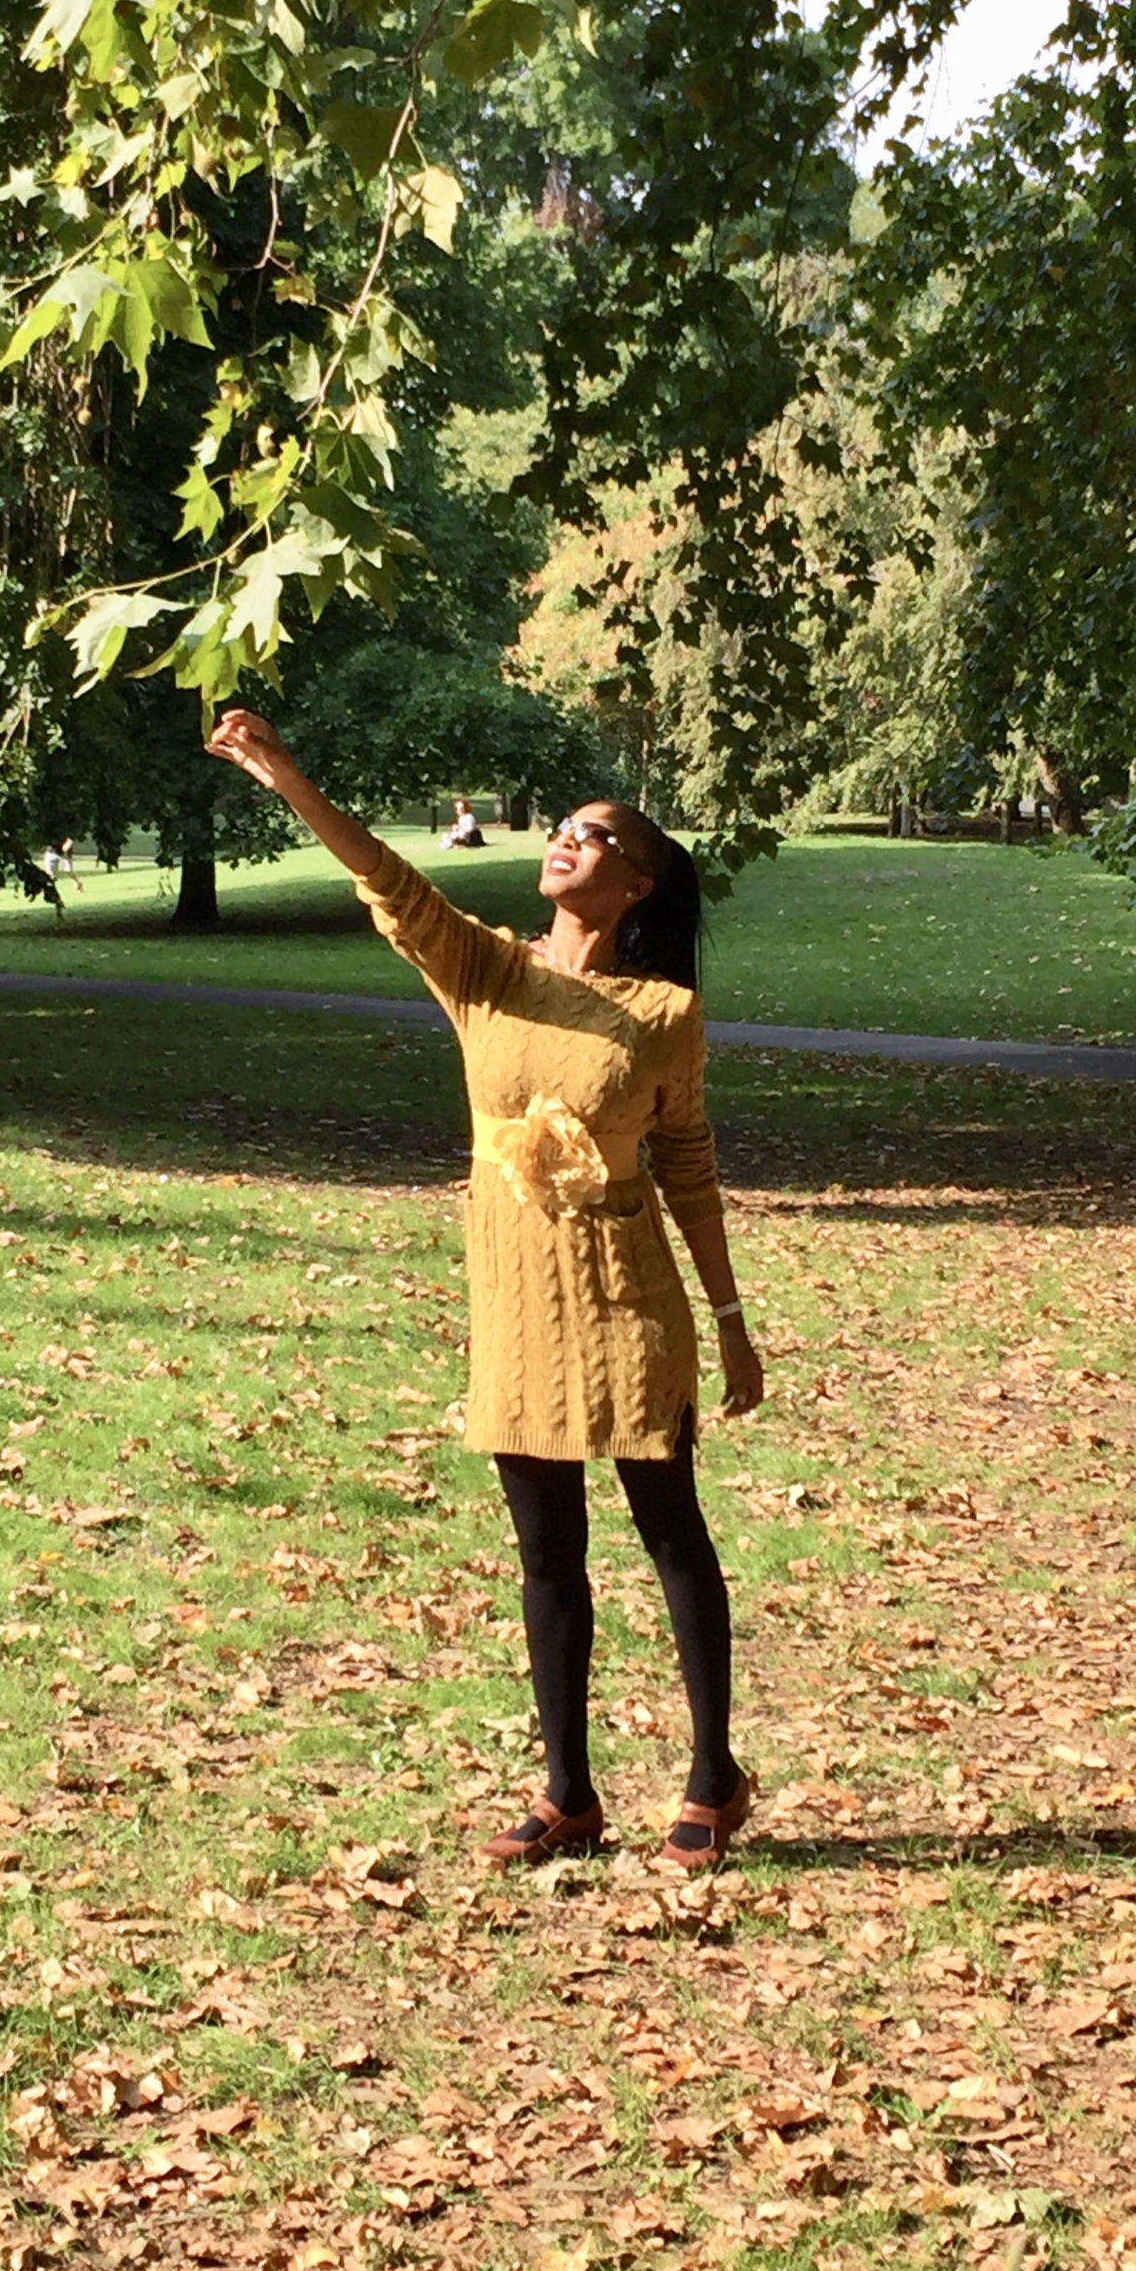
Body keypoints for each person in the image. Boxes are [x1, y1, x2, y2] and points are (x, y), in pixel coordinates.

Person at [207, 708, 764, 1869]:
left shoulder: (664, 1013)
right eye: (564, 825)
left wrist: (729, 1320)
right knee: (546, 1548)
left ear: (637, 884)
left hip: (629, 1298)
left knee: (670, 1530)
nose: (568, 838)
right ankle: (569, 1794)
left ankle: (713, 1774)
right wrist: (286, 776)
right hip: (517, 1300)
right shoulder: (486, 972)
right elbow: (389, 879)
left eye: (596, 836)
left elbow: (690, 1165)